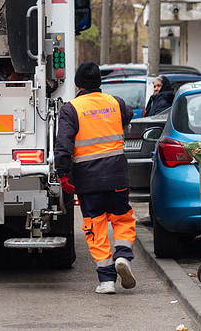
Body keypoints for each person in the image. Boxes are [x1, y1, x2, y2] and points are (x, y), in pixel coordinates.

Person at [55, 61, 136, 294]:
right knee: (122, 219)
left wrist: (63, 174)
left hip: (88, 181)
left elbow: (63, 145)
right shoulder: (116, 103)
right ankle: (123, 257)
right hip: (118, 177)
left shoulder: (71, 109)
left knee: (95, 226)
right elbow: (127, 116)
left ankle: (107, 281)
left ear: (77, 84)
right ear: (99, 82)